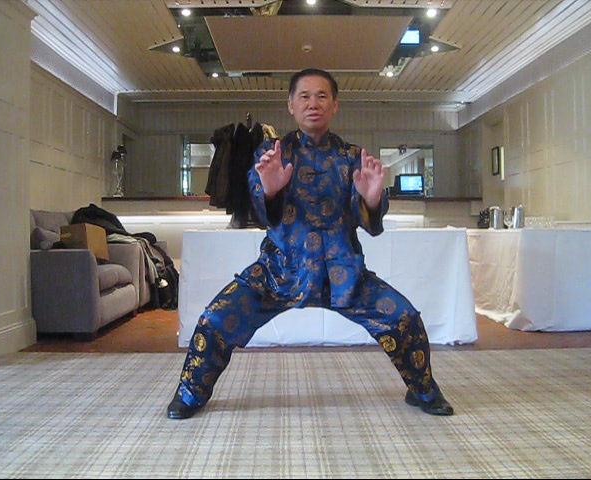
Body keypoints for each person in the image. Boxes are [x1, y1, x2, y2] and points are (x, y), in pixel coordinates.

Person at [167, 68, 454, 419]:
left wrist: (372, 198)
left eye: (321, 96)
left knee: (404, 318)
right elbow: (262, 212)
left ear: (335, 105)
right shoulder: (272, 153)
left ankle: (423, 389)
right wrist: (269, 189)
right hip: (279, 271)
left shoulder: (352, 157)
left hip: (344, 274)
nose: (312, 103)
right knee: (214, 319)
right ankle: (190, 393)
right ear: (291, 105)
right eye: (304, 96)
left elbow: (371, 225)